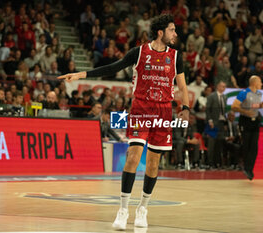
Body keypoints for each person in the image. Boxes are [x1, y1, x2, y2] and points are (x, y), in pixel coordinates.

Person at [58, 14, 189, 230]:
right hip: (140, 110)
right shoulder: (139, 52)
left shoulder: (175, 57)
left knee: (154, 163)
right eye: (172, 30)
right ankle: (123, 209)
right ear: (160, 32)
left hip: (163, 113)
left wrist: (185, 108)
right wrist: (80, 74)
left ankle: (142, 208)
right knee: (133, 157)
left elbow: (182, 87)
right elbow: (112, 68)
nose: (175, 34)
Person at [231, 76, 263, 180]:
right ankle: (244, 166)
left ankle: (249, 169)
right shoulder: (244, 93)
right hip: (245, 121)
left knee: (254, 146)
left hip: (255, 121)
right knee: (246, 145)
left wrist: (260, 106)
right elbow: (234, 106)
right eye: (260, 82)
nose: (261, 84)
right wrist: (246, 112)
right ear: (254, 83)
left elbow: (252, 106)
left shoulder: (258, 94)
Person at [205, 81, 227, 169]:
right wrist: (210, 121)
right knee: (211, 144)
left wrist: (225, 122)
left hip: (221, 122)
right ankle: (210, 163)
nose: (223, 88)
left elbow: (224, 111)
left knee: (219, 143)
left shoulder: (225, 97)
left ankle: (217, 163)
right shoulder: (211, 96)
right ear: (218, 87)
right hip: (213, 123)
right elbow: (208, 109)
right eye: (222, 86)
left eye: (225, 87)